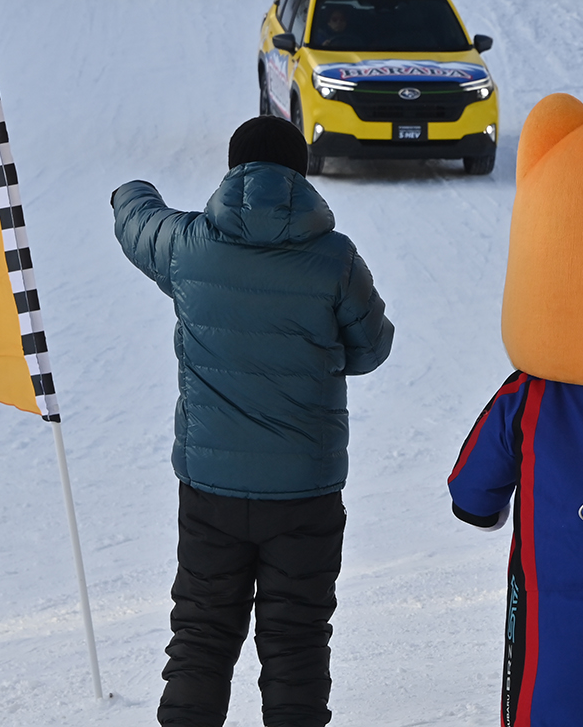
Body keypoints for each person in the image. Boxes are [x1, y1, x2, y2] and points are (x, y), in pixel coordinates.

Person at [112, 116, 394, 727]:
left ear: (234, 169)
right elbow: (372, 349)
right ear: (300, 175)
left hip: (210, 490)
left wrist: (131, 188)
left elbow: (135, 221)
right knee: (296, 639)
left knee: (203, 632)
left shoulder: (189, 246)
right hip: (306, 492)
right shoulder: (334, 259)